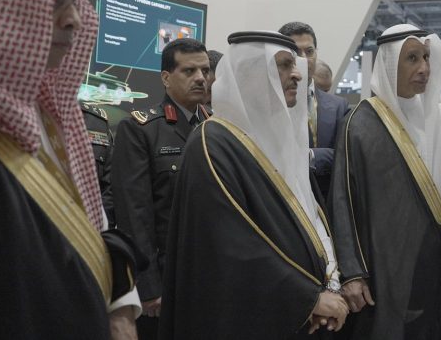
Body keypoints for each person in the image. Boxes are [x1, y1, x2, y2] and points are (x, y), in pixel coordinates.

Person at [0, 0, 142, 339]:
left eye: (74, 4)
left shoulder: (55, 115)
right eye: (54, 3)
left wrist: (121, 306)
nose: (74, 20)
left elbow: (91, 224)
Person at [159, 31, 348, 339]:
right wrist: (306, 299)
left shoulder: (282, 141)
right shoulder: (213, 142)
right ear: (252, 74)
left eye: (295, 65)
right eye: (284, 65)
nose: (298, 75)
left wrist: (330, 282)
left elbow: (312, 218)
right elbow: (228, 246)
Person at [329, 24, 441, 340]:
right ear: (389, 64)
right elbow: (343, 203)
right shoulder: (359, 124)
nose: (424, 67)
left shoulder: (438, 118)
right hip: (384, 274)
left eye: (426, 57)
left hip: (438, 270)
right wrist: (352, 273)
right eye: (412, 58)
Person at [112, 38, 211, 339]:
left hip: (211, 275)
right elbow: (134, 215)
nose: (200, 78)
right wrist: (148, 285)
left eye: (205, 71)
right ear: (166, 78)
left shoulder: (216, 128)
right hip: (167, 278)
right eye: (189, 71)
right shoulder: (141, 129)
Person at [279, 22, 349, 201]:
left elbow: (347, 156)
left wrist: (309, 156)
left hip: (327, 201)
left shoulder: (338, 106)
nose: (304, 58)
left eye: (309, 51)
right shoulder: (271, 102)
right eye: (296, 52)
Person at [81, 101, 116, 225]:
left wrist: (101, 228)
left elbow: (111, 187)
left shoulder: (97, 123)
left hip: (89, 226)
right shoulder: (32, 117)